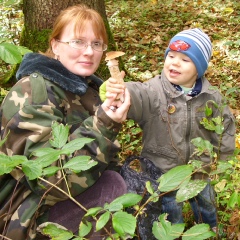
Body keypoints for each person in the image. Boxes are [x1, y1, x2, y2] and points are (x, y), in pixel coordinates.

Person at [0, 4, 130, 240]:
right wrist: (104, 124)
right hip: (22, 218)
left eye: (97, 44)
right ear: (55, 46)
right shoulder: (34, 92)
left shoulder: (83, 87)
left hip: (57, 201)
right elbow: (49, 183)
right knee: (112, 186)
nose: (89, 52)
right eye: (77, 42)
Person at [104, 28, 236, 233]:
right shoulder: (153, 91)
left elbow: (225, 126)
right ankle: (173, 234)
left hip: (198, 169)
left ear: (200, 68)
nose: (174, 62)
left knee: (206, 203)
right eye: (171, 56)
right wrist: (121, 91)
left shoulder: (212, 97)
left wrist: (226, 157)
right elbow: (137, 94)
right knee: (169, 210)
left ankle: (209, 230)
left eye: (185, 60)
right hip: (162, 171)